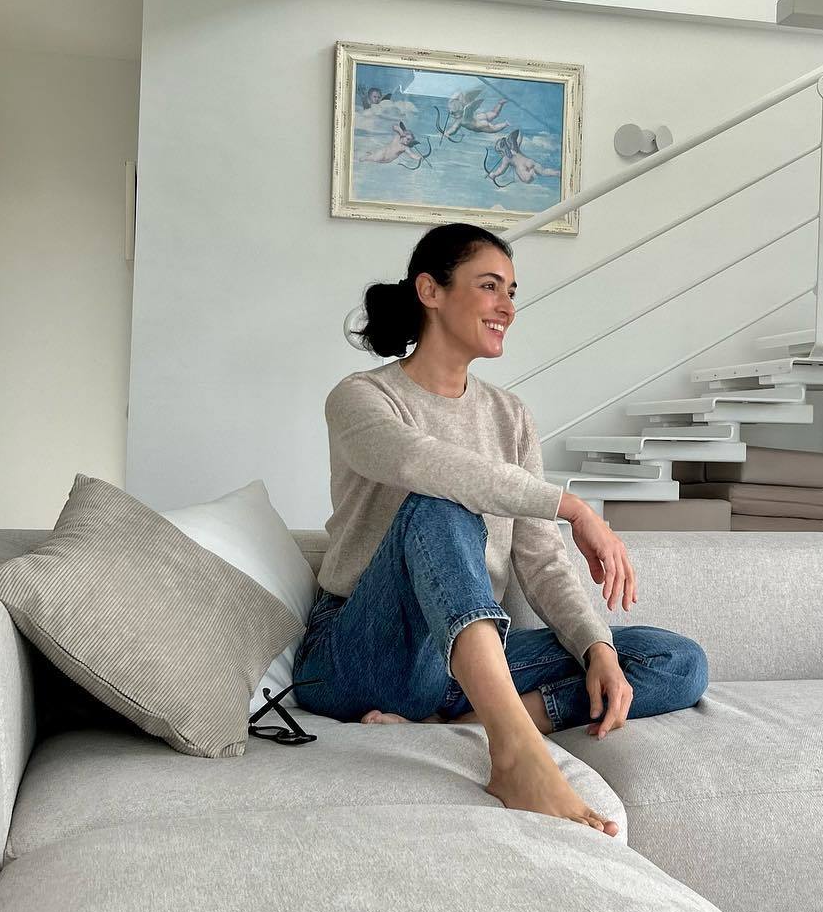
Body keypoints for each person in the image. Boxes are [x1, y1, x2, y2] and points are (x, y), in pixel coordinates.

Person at [295, 221, 709, 836]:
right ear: (430, 291)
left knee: (673, 660)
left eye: (512, 291)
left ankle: (456, 724)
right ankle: (515, 751)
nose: (508, 308)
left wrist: (595, 647)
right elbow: (418, 463)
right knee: (441, 505)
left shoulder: (510, 415)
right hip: (363, 653)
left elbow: (540, 560)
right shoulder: (361, 398)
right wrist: (572, 507)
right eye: (490, 286)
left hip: (462, 667)